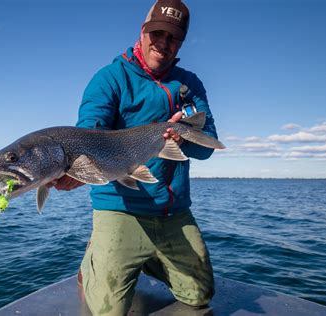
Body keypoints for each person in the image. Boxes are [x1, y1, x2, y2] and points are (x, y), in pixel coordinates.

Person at [51, 0, 218, 314]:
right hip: (121, 207)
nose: (163, 43)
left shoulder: (189, 85)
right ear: (143, 31)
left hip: (173, 211)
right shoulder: (110, 78)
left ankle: (149, 259)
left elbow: (207, 147)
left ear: (181, 41)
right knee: (108, 311)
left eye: (172, 37)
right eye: (157, 33)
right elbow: (88, 129)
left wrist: (182, 135)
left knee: (201, 295)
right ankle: (94, 263)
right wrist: (75, 169)